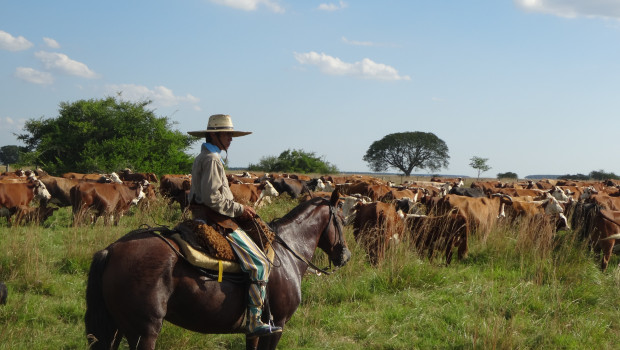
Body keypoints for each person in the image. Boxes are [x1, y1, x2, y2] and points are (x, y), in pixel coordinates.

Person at [187, 114, 282, 338]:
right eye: (227, 134)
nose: (231, 139)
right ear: (214, 135)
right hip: (215, 219)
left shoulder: (208, 156)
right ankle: (253, 321)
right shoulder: (211, 159)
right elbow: (212, 198)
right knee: (259, 264)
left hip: (211, 215)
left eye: (231, 134)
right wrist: (241, 209)